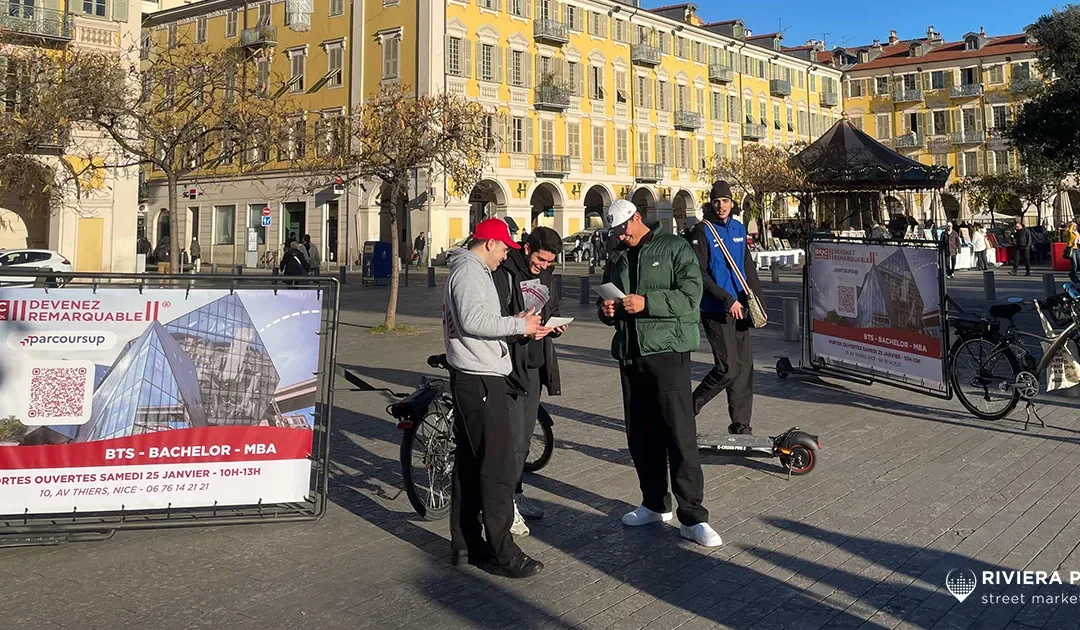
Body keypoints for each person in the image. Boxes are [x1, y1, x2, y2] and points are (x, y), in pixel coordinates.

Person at [597, 199, 723, 548]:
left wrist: (647, 303)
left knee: (679, 434)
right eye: (615, 233)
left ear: (638, 219)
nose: (620, 238)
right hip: (630, 353)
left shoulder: (675, 247)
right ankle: (654, 503)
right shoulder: (617, 255)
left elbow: (690, 297)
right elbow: (610, 298)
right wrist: (607, 310)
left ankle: (693, 516)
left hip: (668, 352)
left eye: (623, 230)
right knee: (640, 434)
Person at [443, 218, 545, 578]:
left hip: (472, 375)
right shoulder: (471, 273)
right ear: (488, 243)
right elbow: (473, 320)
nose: (505, 256)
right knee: (497, 466)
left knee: (471, 464)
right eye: (503, 248)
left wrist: (515, 321)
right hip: (481, 378)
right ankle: (504, 551)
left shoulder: (468, 271)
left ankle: (466, 543)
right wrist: (519, 326)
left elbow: (480, 319)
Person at [493, 226, 565, 533]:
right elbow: (495, 319)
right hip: (511, 365)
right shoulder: (506, 272)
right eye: (540, 259)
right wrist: (522, 328)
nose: (544, 266)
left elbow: (551, 307)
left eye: (549, 262)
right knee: (512, 439)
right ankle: (503, 507)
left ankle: (516, 495)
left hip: (536, 362)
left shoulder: (547, 273)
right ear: (526, 249)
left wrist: (556, 324)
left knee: (523, 440)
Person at [688, 181, 762, 437]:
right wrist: (726, 300)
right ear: (711, 203)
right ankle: (688, 408)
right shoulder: (701, 232)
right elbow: (699, 274)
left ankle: (741, 426)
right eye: (717, 201)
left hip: (741, 310)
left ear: (732, 202)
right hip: (716, 310)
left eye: (726, 201)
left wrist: (757, 305)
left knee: (743, 370)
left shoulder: (739, 229)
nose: (722, 206)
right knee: (727, 368)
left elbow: (747, 268)